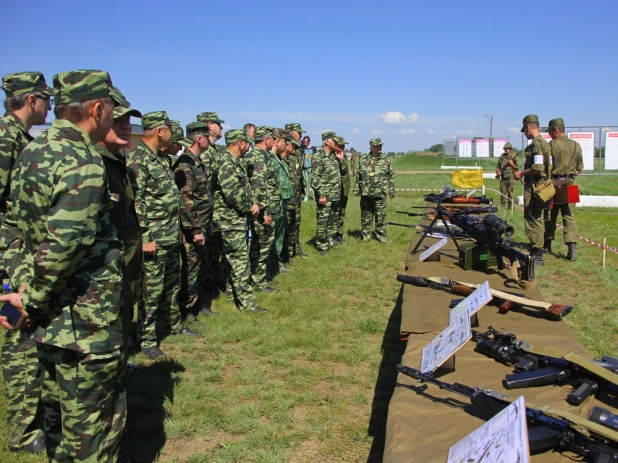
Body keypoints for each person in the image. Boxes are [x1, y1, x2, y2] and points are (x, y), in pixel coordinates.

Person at [0, 69, 127, 461]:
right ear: (95, 108)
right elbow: (65, 245)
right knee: (94, 425)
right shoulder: (84, 162)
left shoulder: (32, 152)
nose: (112, 117)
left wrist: (21, 289)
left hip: (48, 317)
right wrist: (33, 297)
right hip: (85, 319)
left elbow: (10, 226)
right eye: (110, 109)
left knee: (58, 419)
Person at [0, 71, 52, 454]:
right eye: (45, 99)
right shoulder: (6, 139)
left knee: (29, 342)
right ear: (31, 100)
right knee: (19, 344)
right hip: (8, 260)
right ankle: (23, 434)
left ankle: (33, 420)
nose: (49, 106)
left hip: (18, 255)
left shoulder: (20, 139)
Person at [127, 111, 199, 360]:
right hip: (154, 239)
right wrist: (146, 238)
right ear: (160, 130)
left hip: (170, 234)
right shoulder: (138, 160)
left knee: (172, 285)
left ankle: (173, 325)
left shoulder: (160, 159)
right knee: (152, 291)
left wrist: (178, 230)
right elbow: (138, 203)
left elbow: (169, 202)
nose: (172, 131)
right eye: (169, 127)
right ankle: (147, 338)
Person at [95, 91, 144, 351]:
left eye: (128, 121)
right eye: (118, 120)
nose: (126, 126)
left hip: (127, 259)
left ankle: (123, 352)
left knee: (127, 306)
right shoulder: (95, 163)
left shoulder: (119, 163)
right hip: (106, 267)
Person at [213, 129, 267, 313]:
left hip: (237, 218)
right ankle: (248, 304)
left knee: (234, 260)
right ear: (239, 142)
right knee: (240, 261)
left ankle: (232, 296)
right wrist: (249, 208)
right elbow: (232, 194)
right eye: (246, 142)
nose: (248, 146)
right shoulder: (226, 162)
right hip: (229, 220)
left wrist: (252, 203)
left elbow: (245, 188)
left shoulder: (237, 161)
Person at [173, 121, 218, 320]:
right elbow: (185, 202)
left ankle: (198, 305)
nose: (210, 141)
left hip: (204, 224)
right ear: (199, 139)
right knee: (190, 271)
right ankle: (188, 310)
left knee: (201, 267)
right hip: (194, 228)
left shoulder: (198, 162)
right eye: (207, 137)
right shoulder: (185, 164)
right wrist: (194, 229)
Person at [514, 114, 551, 266]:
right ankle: (537, 251)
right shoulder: (543, 143)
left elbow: (538, 167)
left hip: (535, 187)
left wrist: (521, 173)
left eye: (525, 130)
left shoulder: (536, 144)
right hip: (541, 185)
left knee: (532, 219)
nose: (525, 134)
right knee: (537, 218)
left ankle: (538, 255)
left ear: (529, 127)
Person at [544, 118, 583, 261]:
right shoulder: (576, 145)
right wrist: (570, 176)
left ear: (556, 130)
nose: (549, 135)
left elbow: (546, 166)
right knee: (569, 217)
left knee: (550, 216)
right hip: (571, 184)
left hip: (554, 184)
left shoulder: (551, 145)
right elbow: (580, 167)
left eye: (550, 132)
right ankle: (571, 248)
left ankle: (547, 245)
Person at [196, 112, 226, 299]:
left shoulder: (214, 150)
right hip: (207, 213)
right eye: (218, 125)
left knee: (214, 253)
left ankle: (211, 285)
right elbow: (204, 186)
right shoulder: (205, 153)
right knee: (204, 256)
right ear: (209, 125)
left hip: (216, 211)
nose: (221, 128)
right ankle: (203, 292)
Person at [245, 126, 276, 292]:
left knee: (259, 244)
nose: (274, 142)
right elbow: (258, 187)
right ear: (266, 140)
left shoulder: (257, 155)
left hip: (258, 208)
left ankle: (259, 278)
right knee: (261, 244)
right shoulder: (258, 157)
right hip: (260, 210)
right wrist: (266, 212)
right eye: (272, 139)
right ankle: (259, 281)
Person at [354, 138, 395, 244]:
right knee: (366, 216)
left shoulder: (386, 159)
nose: (379, 147)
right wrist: (357, 189)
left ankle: (381, 237)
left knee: (380, 216)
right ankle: (366, 236)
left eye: (380, 145)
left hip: (379, 193)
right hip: (365, 193)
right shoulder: (363, 159)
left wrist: (391, 190)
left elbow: (391, 176)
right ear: (371, 147)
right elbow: (359, 175)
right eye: (377, 146)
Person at [311, 131, 344, 255]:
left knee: (333, 221)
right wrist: (321, 194)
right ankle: (322, 245)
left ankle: (331, 240)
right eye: (334, 141)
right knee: (323, 221)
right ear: (326, 141)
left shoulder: (334, 156)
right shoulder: (318, 155)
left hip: (335, 195)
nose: (336, 143)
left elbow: (343, 171)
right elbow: (315, 178)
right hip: (325, 195)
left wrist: (341, 159)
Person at [269, 129, 294, 274]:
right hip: (273, 204)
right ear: (277, 141)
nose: (287, 144)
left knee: (279, 236)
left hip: (282, 202)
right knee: (271, 237)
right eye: (285, 141)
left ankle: (277, 264)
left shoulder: (279, 158)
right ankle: (270, 266)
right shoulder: (269, 159)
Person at [285, 123, 308, 257]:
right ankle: (287, 252)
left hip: (297, 194)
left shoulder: (297, 151)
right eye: (299, 133)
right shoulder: (285, 152)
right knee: (288, 225)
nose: (301, 136)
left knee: (296, 223)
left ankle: (296, 248)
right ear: (292, 133)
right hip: (288, 196)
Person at [333, 136, 350, 243]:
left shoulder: (341, 156)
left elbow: (344, 171)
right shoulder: (331, 157)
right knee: (333, 214)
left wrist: (342, 159)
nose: (343, 147)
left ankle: (339, 234)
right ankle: (332, 235)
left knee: (341, 213)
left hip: (344, 189)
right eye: (340, 145)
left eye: (343, 146)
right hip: (335, 190)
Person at [495, 142, 519, 208]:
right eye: (505, 149)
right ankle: (502, 207)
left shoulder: (513, 157)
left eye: (507, 149)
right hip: (503, 177)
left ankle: (510, 207)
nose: (506, 150)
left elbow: (517, 168)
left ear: (510, 149)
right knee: (503, 192)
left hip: (511, 177)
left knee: (510, 192)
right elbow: (498, 167)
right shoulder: (501, 157)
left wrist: (512, 164)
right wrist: (498, 171)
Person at [302, 135, 317, 200]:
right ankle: (306, 195)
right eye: (304, 141)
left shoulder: (313, 148)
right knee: (305, 182)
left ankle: (314, 196)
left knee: (312, 182)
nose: (305, 142)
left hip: (311, 167)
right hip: (304, 168)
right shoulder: (302, 148)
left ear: (309, 142)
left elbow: (316, 158)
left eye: (306, 141)